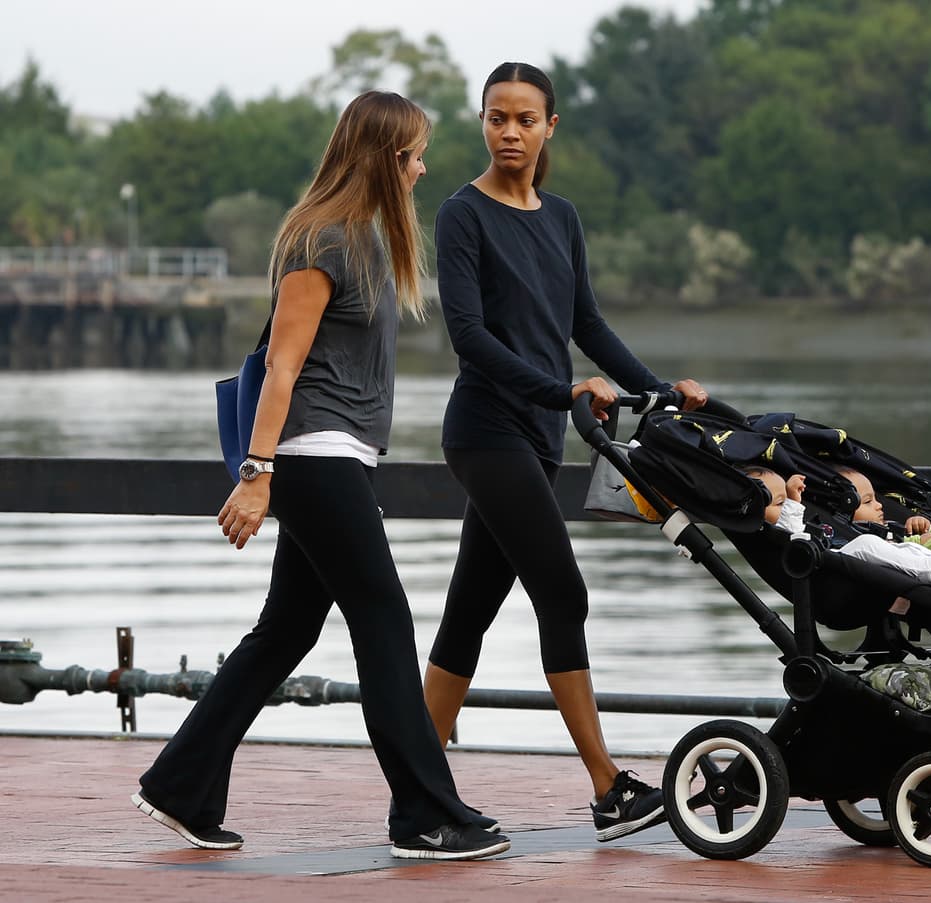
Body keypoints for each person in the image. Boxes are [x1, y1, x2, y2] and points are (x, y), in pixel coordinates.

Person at [130, 91, 509, 862]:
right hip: (311, 455)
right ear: (380, 157)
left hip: (337, 457)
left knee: (285, 630)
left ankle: (180, 784)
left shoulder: (363, 238)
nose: (422, 168)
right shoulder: (322, 239)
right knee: (383, 617)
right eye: (412, 156)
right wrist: (258, 470)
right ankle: (423, 814)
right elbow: (282, 362)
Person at [425, 61, 708, 843]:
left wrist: (656, 391)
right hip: (486, 432)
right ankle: (609, 785)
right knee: (565, 592)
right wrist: (563, 393)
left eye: (524, 119)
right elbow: (470, 338)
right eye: (495, 118)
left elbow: (586, 323)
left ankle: (418, 789)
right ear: (481, 122)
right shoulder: (461, 215)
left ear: (552, 126)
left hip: (538, 437)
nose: (508, 132)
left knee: (467, 615)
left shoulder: (561, 218)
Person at [743, 465, 931, 590]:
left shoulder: (804, 522)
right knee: (867, 544)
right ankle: (929, 570)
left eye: (788, 501)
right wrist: (794, 503)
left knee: (907, 548)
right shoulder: (776, 533)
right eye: (780, 502)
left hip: (842, 564)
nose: (788, 504)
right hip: (832, 572)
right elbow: (791, 536)